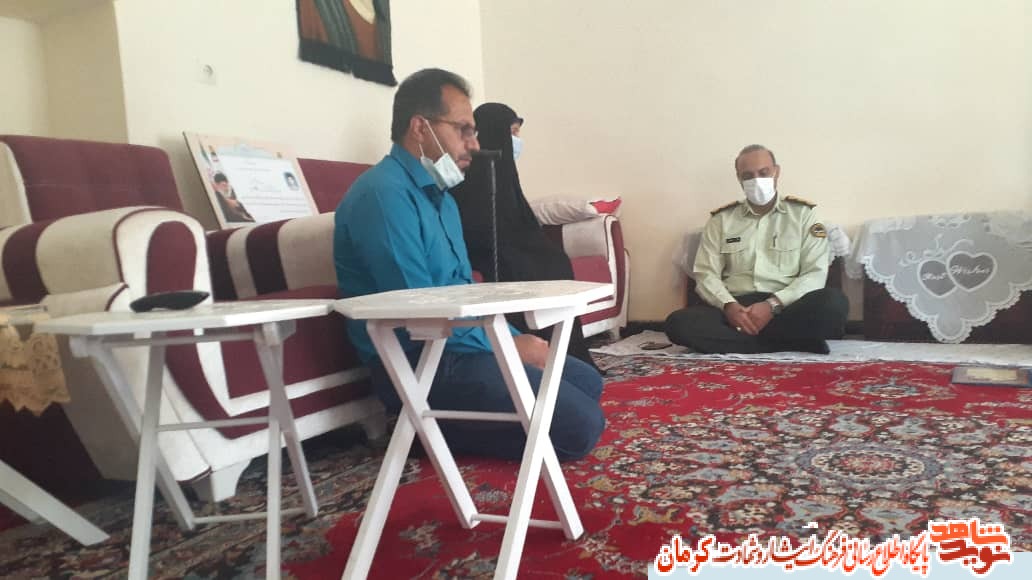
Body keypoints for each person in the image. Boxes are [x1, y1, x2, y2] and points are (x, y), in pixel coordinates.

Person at [333, 69, 605, 461]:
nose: (474, 145)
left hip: (459, 347)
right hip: (419, 362)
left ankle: (449, 425)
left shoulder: (442, 199)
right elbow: (417, 312)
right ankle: (419, 431)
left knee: (586, 381)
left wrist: (515, 340)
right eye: (464, 130)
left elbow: (464, 294)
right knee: (580, 427)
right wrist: (509, 346)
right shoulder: (383, 195)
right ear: (420, 128)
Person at [449, 103, 601, 372]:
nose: (517, 141)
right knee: (532, 266)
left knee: (554, 261)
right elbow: (474, 228)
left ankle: (564, 353)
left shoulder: (505, 173)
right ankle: (533, 349)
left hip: (509, 246)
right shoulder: (467, 176)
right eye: (512, 133)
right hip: (486, 250)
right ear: (494, 133)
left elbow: (521, 223)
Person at [665, 144, 848, 354]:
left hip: (786, 306)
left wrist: (772, 305)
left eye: (763, 172)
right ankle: (793, 342)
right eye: (748, 176)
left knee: (834, 304)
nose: (757, 180)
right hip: (736, 307)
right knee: (678, 324)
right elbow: (706, 274)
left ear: (776, 172)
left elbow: (815, 273)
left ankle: (741, 343)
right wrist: (729, 306)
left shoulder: (804, 215)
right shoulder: (721, 220)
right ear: (739, 178)